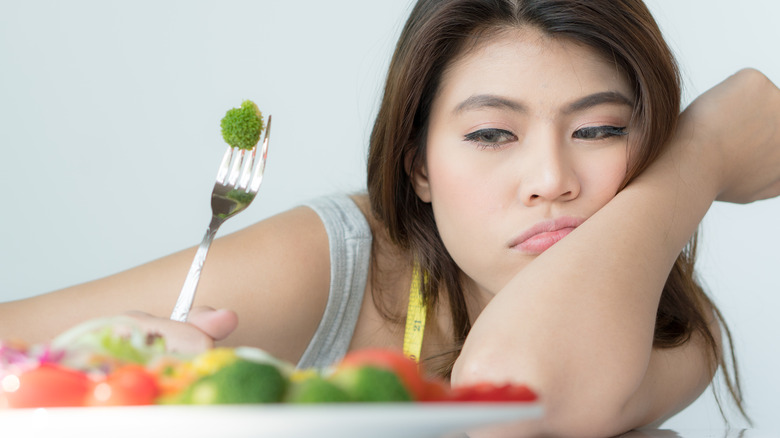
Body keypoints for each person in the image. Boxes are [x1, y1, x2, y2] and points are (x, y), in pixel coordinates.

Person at [1, 0, 779, 436]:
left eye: (601, 130)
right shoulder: (342, 260)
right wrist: (107, 369)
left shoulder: (668, 325)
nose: (550, 180)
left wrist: (699, 152)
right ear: (419, 168)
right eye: (491, 135)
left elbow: (519, 399)